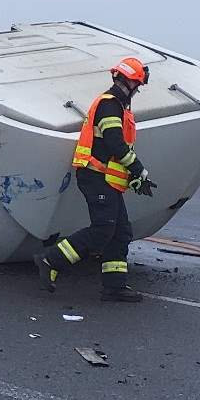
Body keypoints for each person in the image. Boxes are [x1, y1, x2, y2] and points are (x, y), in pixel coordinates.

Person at [39, 56, 157, 302]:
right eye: (138, 85)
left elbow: (114, 149)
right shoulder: (109, 104)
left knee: (121, 231)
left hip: (106, 178)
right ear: (130, 82)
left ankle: (114, 286)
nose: (138, 90)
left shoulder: (119, 107)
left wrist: (134, 178)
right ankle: (51, 259)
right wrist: (139, 169)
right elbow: (114, 142)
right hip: (95, 176)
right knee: (103, 229)